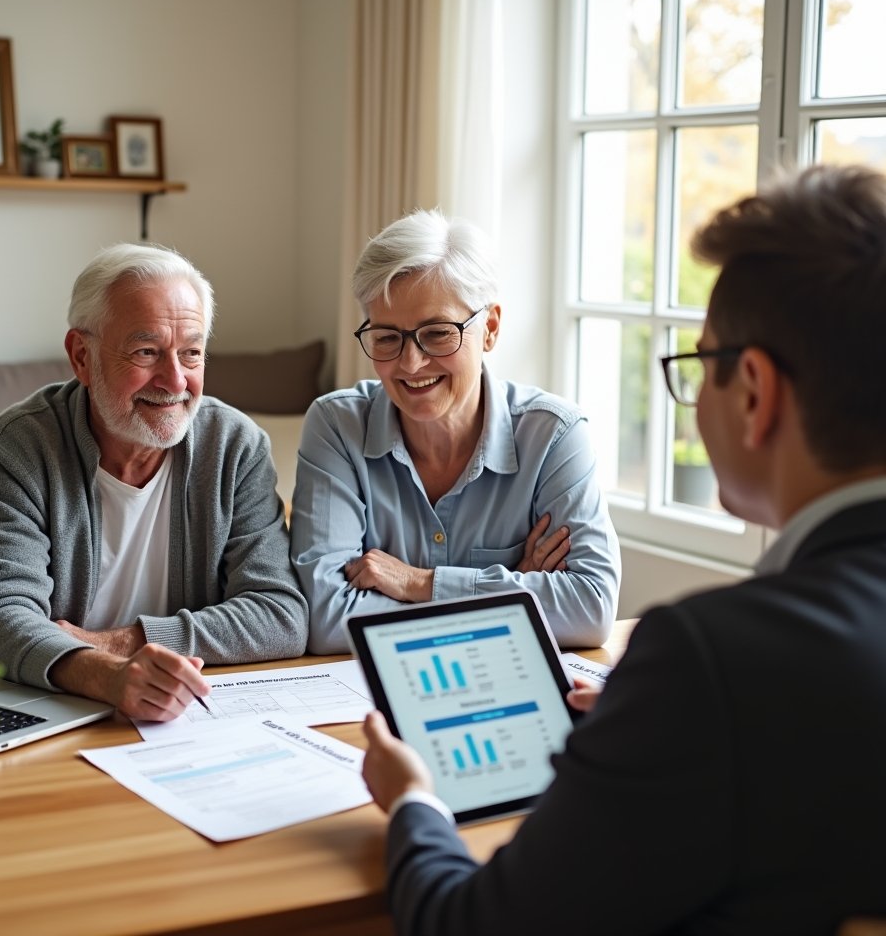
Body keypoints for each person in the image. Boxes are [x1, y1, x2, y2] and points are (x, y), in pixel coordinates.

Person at [360, 164, 886, 934]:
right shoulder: (711, 689)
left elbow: (469, 925)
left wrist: (413, 797)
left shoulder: (709, 661)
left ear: (754, 391)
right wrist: (658, 728)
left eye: (699, 364)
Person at [0, 243, 307, 721]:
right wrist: (107, 676)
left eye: (191, 354)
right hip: (62, 711)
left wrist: (121, 642)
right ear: (82, 356)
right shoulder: (15, 450)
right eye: (147, 352)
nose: (175, 381)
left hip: (188, 711)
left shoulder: (235, 447)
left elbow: (280, 616)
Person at [290, 210, 621, 654]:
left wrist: (420, 583)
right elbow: (326, 621)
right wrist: (513, 597)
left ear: (490, 328)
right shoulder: (337, 427)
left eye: (438, 333)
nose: (410, 364)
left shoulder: (554, 436)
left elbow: (590, 609)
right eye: (387, 338)